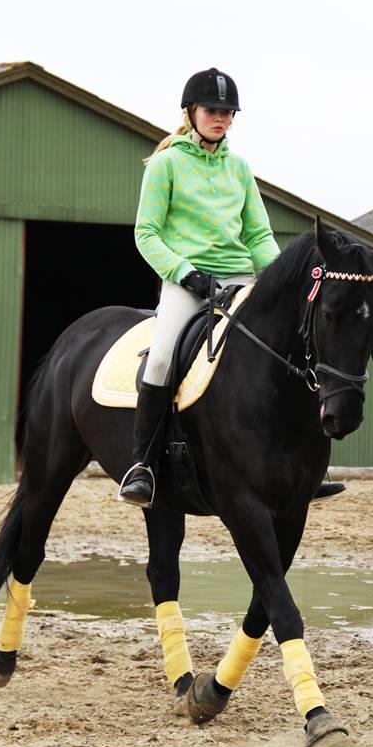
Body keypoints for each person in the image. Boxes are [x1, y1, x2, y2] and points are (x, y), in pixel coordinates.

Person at [118, 67, 280, 506]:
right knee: (162, 359)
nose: (222, 119)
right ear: (190, 112)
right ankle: (142, 466)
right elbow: (146, 233)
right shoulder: (166, 164)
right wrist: (183, 272)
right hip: (186, 281)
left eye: (229, 113)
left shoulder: (240, 169)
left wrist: (280, 276)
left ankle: (300, 464)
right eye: (213, 110)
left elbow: (259, 236)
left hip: (240, 277)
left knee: (283, 349)